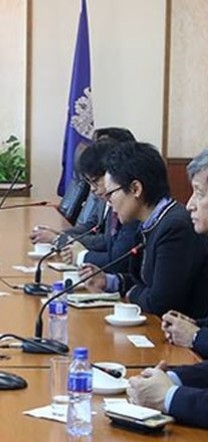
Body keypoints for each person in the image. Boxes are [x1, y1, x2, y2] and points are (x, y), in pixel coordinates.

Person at [80, 142, 208, 317]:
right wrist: (109, 281)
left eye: (111, 194)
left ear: (135, 189)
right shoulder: (149, 222)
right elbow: (146, 281)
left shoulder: (175, 227)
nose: (108, 202)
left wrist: (132, 293)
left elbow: (160, 303)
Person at [30, 127, 136, 246]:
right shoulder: (106, 194)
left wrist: (60, 239)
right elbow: (92, 224)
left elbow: (108, 242)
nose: (92, 189)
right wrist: (60, 234)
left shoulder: (127, 200)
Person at [55, 140, 140, 272]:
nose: (92, 189)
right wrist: (65, 239)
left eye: (95, 181)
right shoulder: (111, 202)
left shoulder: (130, 208)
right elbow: (106, 239)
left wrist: (81, 255)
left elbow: (118, 261)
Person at [160, 148, 208, 358]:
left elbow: (159, 300)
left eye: (199, 193)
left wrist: (195, 336)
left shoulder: (175, 227)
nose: (189, 205)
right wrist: (195, 325)